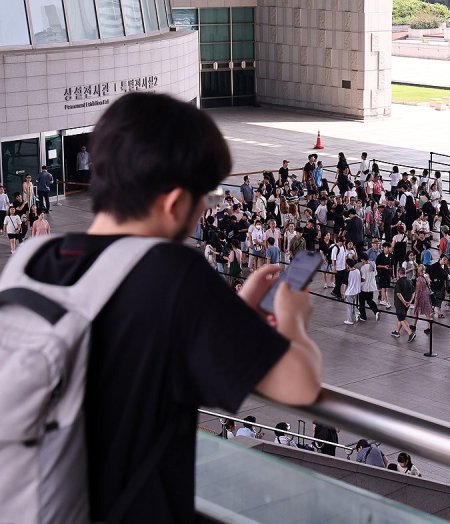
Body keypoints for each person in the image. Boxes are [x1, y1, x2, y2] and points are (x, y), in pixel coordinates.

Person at [13, 93, 323, 522]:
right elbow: (300, 385)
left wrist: (233, 313)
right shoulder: (171, 273)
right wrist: (293, 319)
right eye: (204, 201)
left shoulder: (32, 257)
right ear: (175, 203)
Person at [392, 270, 416, 342]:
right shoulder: (410, 281)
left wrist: (404, 302)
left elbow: (398, 294)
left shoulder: (399, 282)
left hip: (400, 304)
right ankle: (397, 331)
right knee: (401, 317)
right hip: (407, 304)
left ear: (399, 273)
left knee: (401, 318)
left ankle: (410, 333)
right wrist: (410, 301)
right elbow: (413, 292)